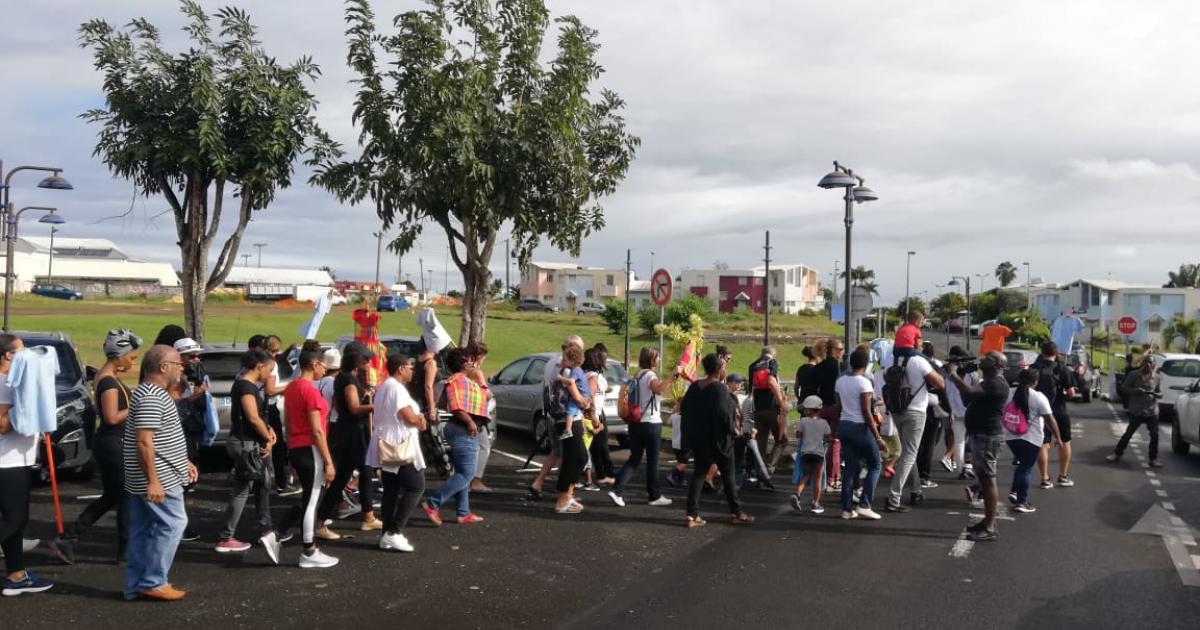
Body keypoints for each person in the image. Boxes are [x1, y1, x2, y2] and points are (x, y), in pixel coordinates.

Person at [124, 345, 198, 600]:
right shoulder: (152, 396)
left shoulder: (151, 393)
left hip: (155, 474)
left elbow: (162, 438)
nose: (182, 368)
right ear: (163, 367)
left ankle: (136, 584)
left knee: (143, 530)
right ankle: (153, 581)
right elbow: (144, 441)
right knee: (174, 524)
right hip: (159, 479)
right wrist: (154, 481)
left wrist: (182, 461)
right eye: (178, 363)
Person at [66, 329, 141, 561]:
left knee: (113, 495)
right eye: (131, 355)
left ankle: (70, 536)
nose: (133, 359)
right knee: (127, 494)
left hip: (110, 442)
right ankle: (126, 551)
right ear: (119, 355)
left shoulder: (104, 377)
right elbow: (110, 417)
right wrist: (138, 404)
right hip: (112, 442)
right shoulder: (108, 382)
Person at [214, 350, 283, 563]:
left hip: (250, 442)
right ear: (259, 366)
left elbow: (257, 417)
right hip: (245, 444)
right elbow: (252, 418)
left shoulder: (249, 386)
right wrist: (268, 438)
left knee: (263, 482)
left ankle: (265, 528)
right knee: (242, 489)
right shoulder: (245, 386)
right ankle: (226, 537)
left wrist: (268, 431)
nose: (271, 375)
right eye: (269, 370)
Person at [0, 335, 53, 596]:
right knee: (16, 518)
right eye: (22, 350)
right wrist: (28, 406)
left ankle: (17, 575)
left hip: (14, 460)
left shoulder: (13, 382)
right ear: (9, 356)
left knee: (12, 520)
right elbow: (2, 424)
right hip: (7, 462)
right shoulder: (5, 384)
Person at [275, 350, 338, 569]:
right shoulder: (308, 391)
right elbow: (317, 431)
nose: (325, 369)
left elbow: (289, 423)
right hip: (310, 449)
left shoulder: (291, 387)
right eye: (323, 365)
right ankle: (309, 551)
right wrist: (329, 461)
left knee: (308, 500)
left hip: (297, 448)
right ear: (313, 364)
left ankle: (279, 534)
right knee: (312, 501)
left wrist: (291, 452)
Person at [945, 351, 1009, 542]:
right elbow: (968, 399)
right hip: (980, 435)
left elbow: (969, 392)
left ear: (997, 365)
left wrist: (954, 374)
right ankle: (987, 523)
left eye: (988, 358)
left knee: (988, 481)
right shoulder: (985, 382)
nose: (982, 359)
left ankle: (989, 527)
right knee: (983, 480)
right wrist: (963, 376)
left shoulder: (997, 383)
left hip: (987, 436)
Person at [682, 354, 753, 527]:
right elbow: (724, 414)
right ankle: (736, 512)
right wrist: (734, 430)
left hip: (699, 439)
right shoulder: (720, 390)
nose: (725, 370)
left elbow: (684, 408)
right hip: (720, 440)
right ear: (719, 369)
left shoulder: (694, 387)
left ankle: (692, 515)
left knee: (699, 474)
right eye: (723, 367)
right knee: (728, 476)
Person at [365, 354, 427, 552]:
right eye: (410, 367)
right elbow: (407, 417)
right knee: (416, 486)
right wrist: (420, 420)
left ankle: (386, 533)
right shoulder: (397, 388)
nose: (412, 370)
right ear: (400, 368)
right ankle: (394, 531)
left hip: (386, 440)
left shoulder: (385, 386)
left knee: (391, 489)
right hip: (398, 443)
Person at [317, 343, 381, 534]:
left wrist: (367, 396)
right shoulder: (349, 380)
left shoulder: (346, 378)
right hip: (353, 434)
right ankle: (322, 521)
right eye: (365, 358)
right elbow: (353, 408)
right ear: (355, 359)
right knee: (353, 474)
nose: (369, 361)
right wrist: (376, 406)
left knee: (356, 474)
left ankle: (366, 516)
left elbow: (342, 405)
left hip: (349, 432)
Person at [609, 347, 680, 508]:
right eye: (658, 357)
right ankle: (654, 495)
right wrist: (672, 374)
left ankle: (617, 489)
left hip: (636, 422)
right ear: (651, 359)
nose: (659, 360)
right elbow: (659, 389)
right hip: (651, 423)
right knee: (653, 461)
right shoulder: (650, 375)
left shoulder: (638, 374)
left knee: (634, 459)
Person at [422, 348, 486, 525]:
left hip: (458, 429)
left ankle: (463, 512)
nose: (474, 362)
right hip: (464, 429)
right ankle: (433, 503)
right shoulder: (460, 381)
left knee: (461, 472)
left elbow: (444, 403)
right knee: (467, 473)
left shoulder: (457, 380)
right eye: (471, 359)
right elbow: (457, 407)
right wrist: (470, 422)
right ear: (464, 362)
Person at [886, 340, 944, 512]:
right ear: (912, 344)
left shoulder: (891, 359)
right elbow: (940, 383)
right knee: (909, 454)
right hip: (916, 410)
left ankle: (916, 490)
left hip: (897, 409)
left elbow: (884, 378)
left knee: (907, 452)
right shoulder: (919, 361)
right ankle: (894, 498)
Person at [528, 335, 584, 499]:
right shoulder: (567, 367)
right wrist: (584, 403)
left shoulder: (551, 362)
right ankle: (565, 493)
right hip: (565, 414)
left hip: (551, 413)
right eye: (579, 349)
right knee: (570, 454)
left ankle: (538, 482)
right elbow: (572, 391)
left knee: (556, 452)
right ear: (572, 348)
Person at [836, 348, 885, 520]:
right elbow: (866, 411)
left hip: (844, 426)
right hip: (859, 427)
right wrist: (878, 437)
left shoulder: (841, 381)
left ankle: (847, 509)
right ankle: (865, 504)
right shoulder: (864, 383)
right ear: (866, 364)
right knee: (875, 463)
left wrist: (836, 428)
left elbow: (838, 407)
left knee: (850, 468)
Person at [1005, 369, 1062, 513]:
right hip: (1031, 438)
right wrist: (1058, 438)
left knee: (1021, 465)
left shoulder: (1009, 392)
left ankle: (1015, 492)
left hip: (1011, 436)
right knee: (1026, 468)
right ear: (1035, 382)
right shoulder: (1038, 397)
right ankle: (1022, 502)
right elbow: (1050, 419)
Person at [549, 345, 591, 514]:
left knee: (581, 457)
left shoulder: (570, 371)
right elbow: (577, 397)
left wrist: (585, 404)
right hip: (567, 418)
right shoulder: (568, 372)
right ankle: (562, 499)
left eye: (565, 358)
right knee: (573, 458)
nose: (562, 360)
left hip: (573, 419)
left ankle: (567, 495)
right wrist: (585, 403)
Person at [1031, 342, 1077, 489]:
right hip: (1059, 410)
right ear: (1056, 353)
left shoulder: (1034, 368)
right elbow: (1071, 393)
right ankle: (1062, 477)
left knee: (1043, 445)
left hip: (1040, 412)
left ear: (1041, 352)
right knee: (1065, 442)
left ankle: (1045, 478)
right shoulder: (1062, 369)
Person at [1108, 352, 1163, 467]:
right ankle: (1117, 453)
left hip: (1151, 410)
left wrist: (1157, 394)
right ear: (1143, 363)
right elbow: (1123, 388)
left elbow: (1160, 392)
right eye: (1146, 362)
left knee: (1155, 435)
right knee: (1129, 433)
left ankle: (1153, 458)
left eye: (1150, 363)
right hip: (1137, 410)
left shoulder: (1157, 377)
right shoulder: (1134, 375)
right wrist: (1135, 391)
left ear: (1153, 366)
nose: (1148, 365)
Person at [747, 346, 787, 472]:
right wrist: (781, 403)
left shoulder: (752, 366)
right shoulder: (772, 363)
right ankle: (769, 467)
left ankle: (759, 471)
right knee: (782, 440)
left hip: (758, 409)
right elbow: (771, 381)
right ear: (773, 354)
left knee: (761, 444)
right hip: (772, 409)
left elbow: (750, 389)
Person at [812, 338, 844, 490]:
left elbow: (814, 387)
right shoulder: (839, 367)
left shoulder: (818, 367)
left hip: (821, 408)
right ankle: (833, 478)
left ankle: (819, 476)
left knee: (819, 444)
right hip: (835, 408)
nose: (842, 352)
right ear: (832, 350)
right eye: (839, 349)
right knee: (835, 444)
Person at [790, 395, 830, 514]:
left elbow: (798, 435)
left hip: (805, 453)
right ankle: (815, 503)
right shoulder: (824, 423)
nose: (805, 411)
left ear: (810, 410)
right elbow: (828, 437)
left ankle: (797, 494)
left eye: (806, 409)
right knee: (817, 478)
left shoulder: (803, 421)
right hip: (818, 454)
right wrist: (833, 440)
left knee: (806, 475)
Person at [465, 341, 496, 494]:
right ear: (479, 356)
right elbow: (487, 393)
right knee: (484, 447)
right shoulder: (476, 372)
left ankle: (467, 479)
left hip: (465, 413)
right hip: (476, 414)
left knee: (470, 448)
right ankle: (475, 480)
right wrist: (490, 393)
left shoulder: (463, 370)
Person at [915, 342, 947, 490]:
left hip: (915, 408)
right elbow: (942, 389)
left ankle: (914, 474)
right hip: (932, 411)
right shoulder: (934, 367)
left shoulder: (913, 363)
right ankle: (924, 476)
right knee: (929, 443)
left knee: (916, 444)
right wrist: (949, 410)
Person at [584, 346, 615, 486]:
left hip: (592, 414)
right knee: (591, 448)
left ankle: (600, 475)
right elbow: (589, 398)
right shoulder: (593, 376)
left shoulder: (590, 375)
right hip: (592, 416)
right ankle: (595, 477)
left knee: (593, 447)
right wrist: (595, 419)